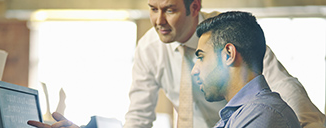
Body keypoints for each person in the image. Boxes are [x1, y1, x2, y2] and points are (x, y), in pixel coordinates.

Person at [28, 0, 326, 127]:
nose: (159, 21)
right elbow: (138, 120)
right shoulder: (149, 48)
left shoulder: (229, 40)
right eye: (153, 9)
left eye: (169, 9)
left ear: (194, 7)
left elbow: (285, 94)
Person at [192, 11, 301, 128]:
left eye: (201, 57)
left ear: (228, 54)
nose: (194, 70)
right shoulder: (240, 114)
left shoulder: (262, 113)